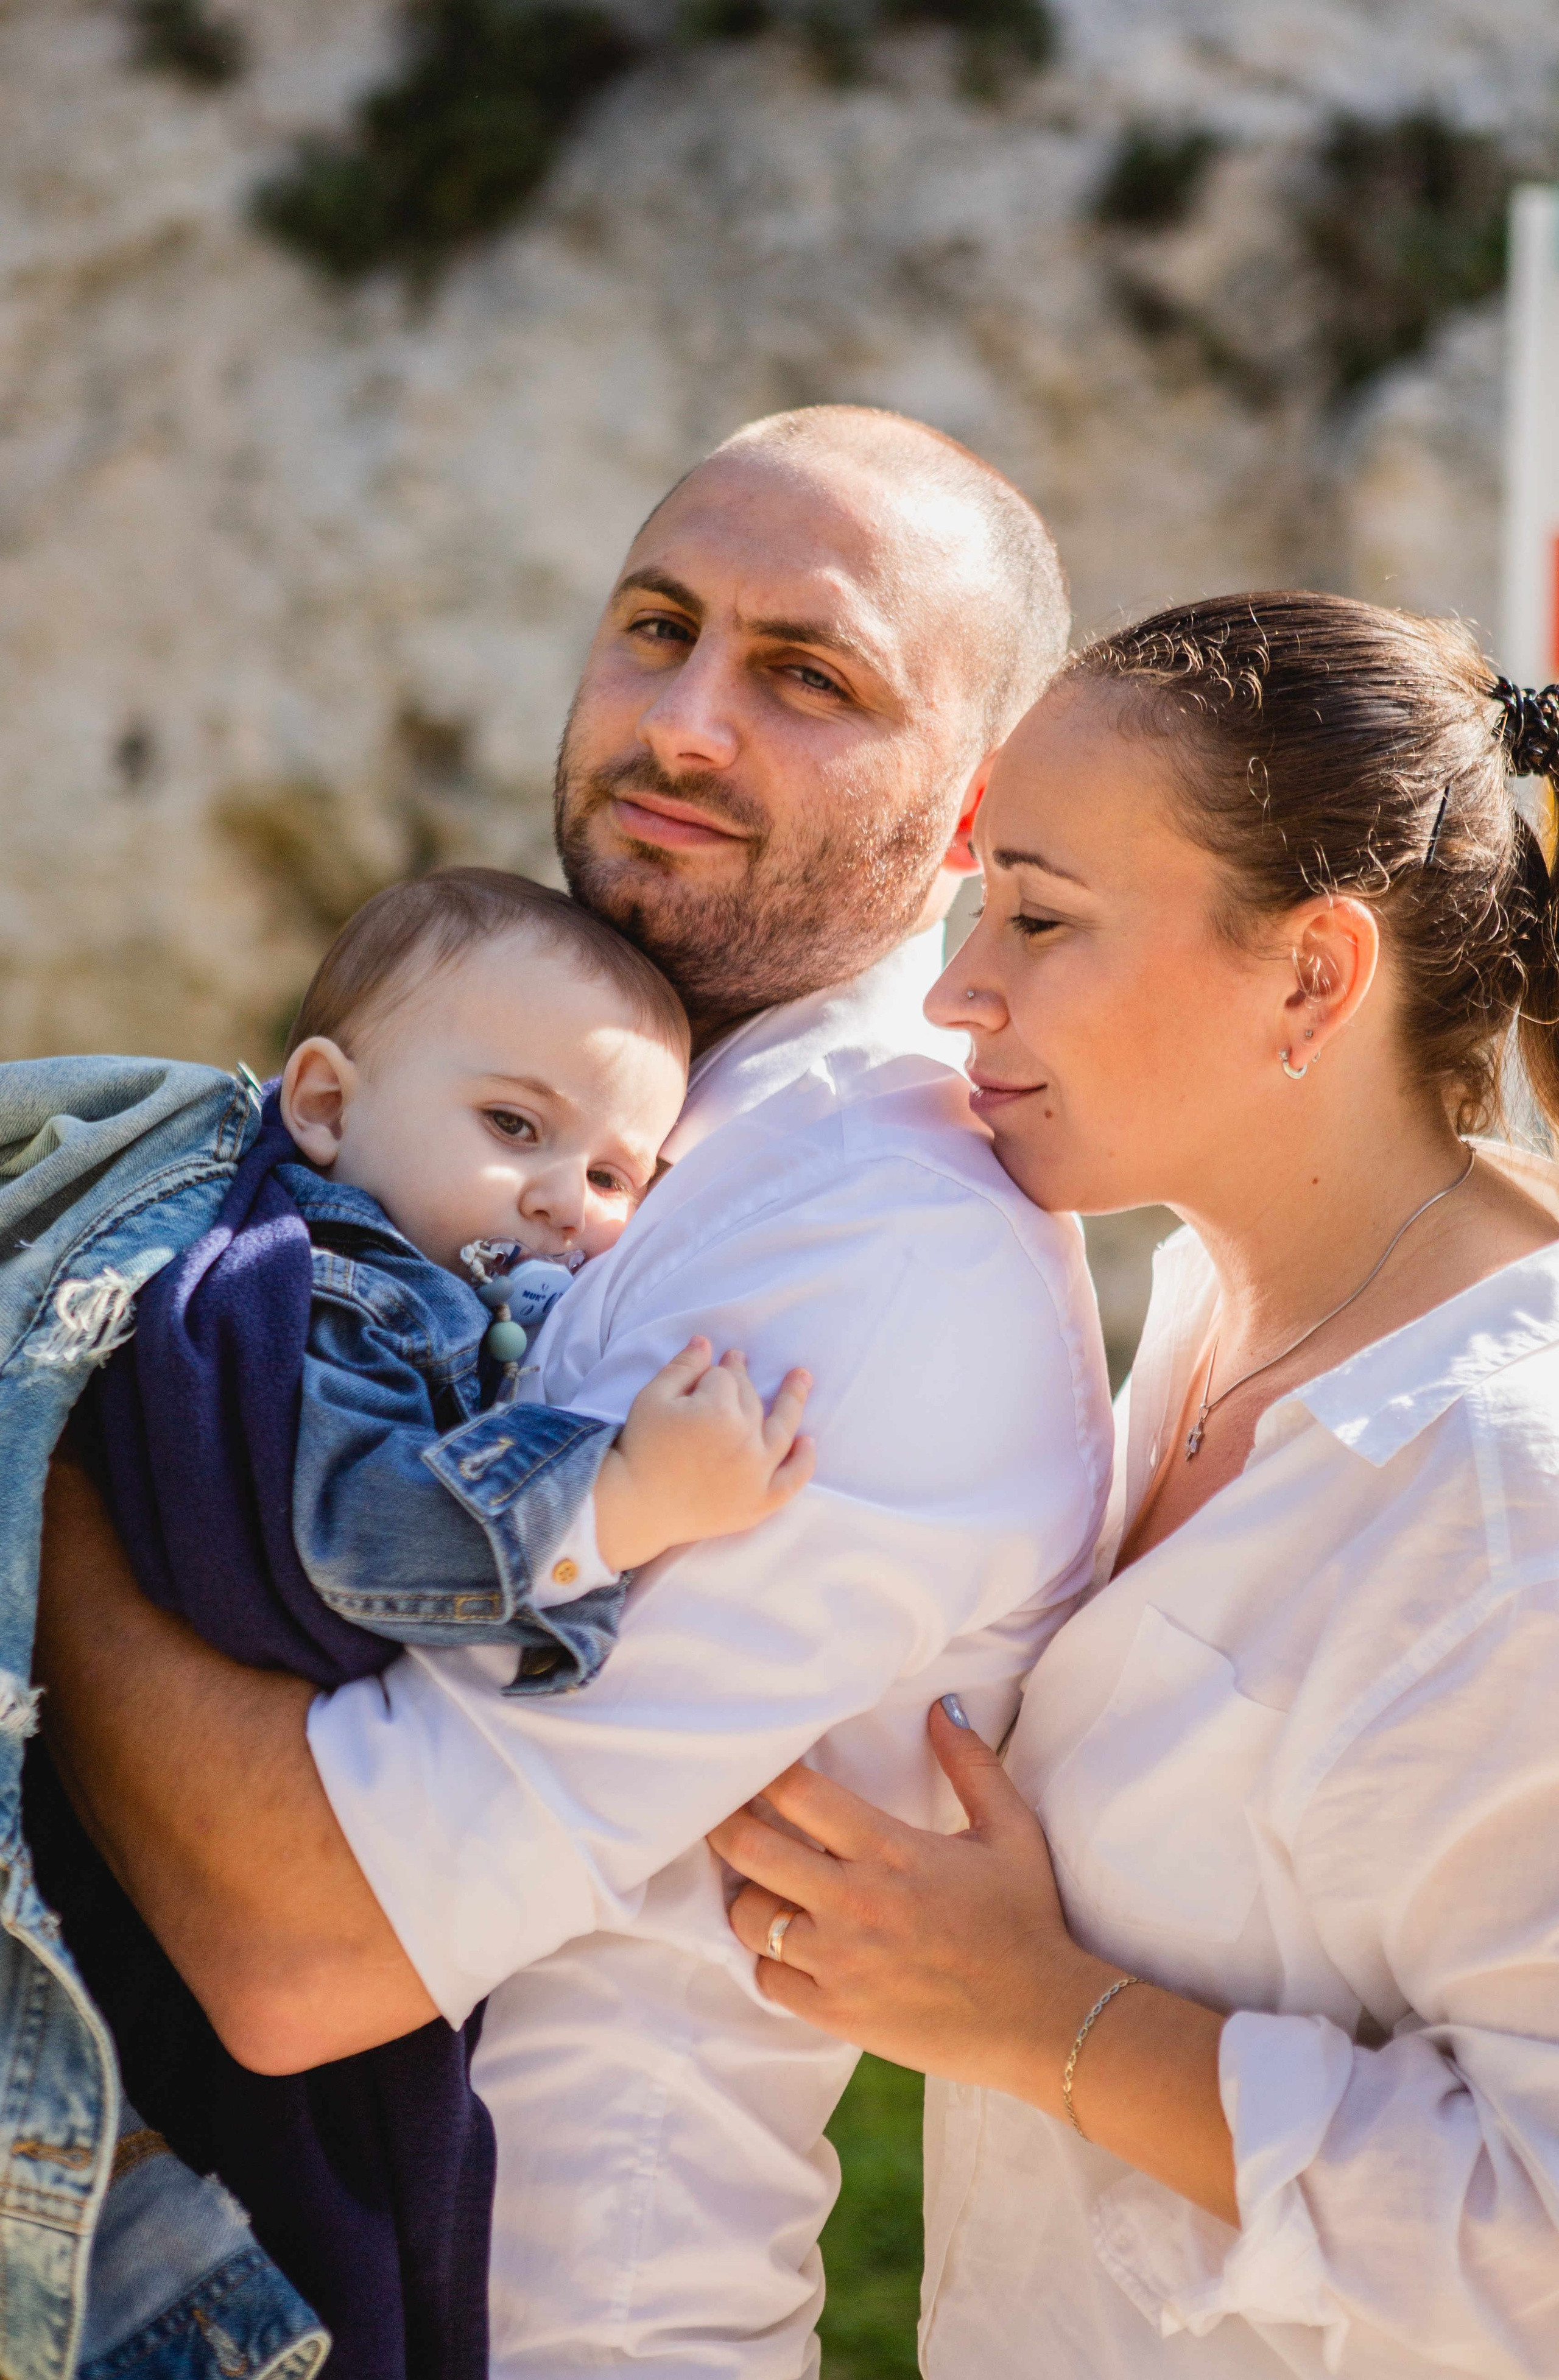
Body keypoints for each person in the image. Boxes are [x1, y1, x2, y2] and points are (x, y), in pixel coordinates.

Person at [35, 404, 1114, 2376]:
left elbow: (300, 1934)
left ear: (971, 812)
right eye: (655, 623)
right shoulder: (623, 1114)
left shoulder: (877, 1249)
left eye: (809, 676)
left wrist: (41, 1464)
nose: (683, 721)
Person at [713, 596, 1559, 2380]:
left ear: (1316, 975)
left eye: (1039, 914)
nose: (957, 987)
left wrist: (1045, 2018)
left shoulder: (1510, 1496)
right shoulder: (1208, 1299)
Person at [27, 863, 812, 2379]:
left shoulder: (433, 1276)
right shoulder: (310, 1289)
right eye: (514, 1128)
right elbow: (352, 1531)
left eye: (611, 1178)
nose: (558, 1201)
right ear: (320, 1107)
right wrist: (624, 1499)